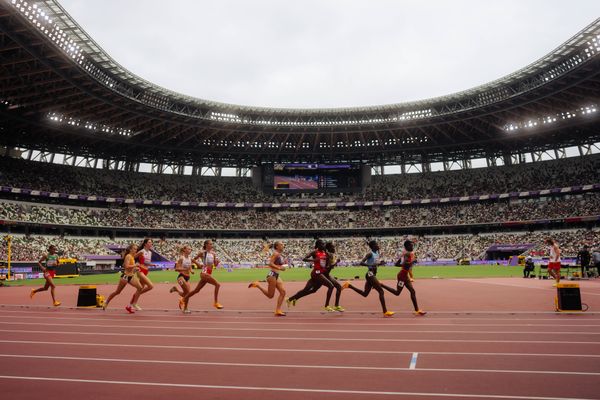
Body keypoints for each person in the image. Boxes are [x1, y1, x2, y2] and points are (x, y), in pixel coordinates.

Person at [342, 240, 394, 317]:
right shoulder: (370, 254)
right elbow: (361, 262)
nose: (378, 245)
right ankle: (385, 311)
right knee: (381, 291)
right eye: (376, 244)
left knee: (365, 294)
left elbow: (374, 263)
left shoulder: (377, 253)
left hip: (373, 274)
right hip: (370, 274)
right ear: (373, 246)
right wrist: (369, 266)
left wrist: (380, 263)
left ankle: (349, 285)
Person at [285, 239, 334, 311]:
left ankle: (290, 299)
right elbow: (304, 259)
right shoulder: (315, 252)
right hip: (316, 273)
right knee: (331, 286)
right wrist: (314, 260)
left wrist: (331, 264)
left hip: (321, 273)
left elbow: (326, 264)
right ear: (318, 245)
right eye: (322, 244)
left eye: (324, 244)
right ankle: (326, 306)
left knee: (309, 290)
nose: (324, 245)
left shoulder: (325, 253)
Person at [381, 240, 426, 316]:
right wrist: (412, 262)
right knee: (397, 293)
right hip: (402, 276)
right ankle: (382, 285)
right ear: (407, 246)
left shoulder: (405, 254)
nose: (412, 247)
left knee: (412, 291)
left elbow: (396, 264)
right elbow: (405, 263)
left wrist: (406, 265)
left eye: (412, 245)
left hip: (405, 275)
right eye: (411, 245)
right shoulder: (407, 254)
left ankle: (417, 310)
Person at [181, 240, 223, 313]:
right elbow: (193, 259)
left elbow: (215, 265)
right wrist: (198, 264)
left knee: (196, 290)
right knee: (217, 284)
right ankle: (215, 303)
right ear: (206, 245)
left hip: (209, 272)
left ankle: (183, 299)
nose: (212, 245)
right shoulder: (203, 253)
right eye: (210, 244)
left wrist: (217, 262)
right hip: (204, 272)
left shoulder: (213, 254)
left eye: (212, 244)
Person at [248, 241, 287, 316]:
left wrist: (281, 267)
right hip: (272, 276)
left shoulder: (279, 254)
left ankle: (278, 310)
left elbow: (276, 264)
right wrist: (279, 267)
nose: (283, 245)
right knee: (270, 296)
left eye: (283, 244)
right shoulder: (275, 253)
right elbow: (270, 263)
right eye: (281, 244)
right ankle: (257, 285)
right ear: (277, 247)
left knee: (283, 292)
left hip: (276, 275)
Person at [103, 243, 144, 313]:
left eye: (136, 249)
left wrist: (135, 269)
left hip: (131, 276)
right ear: (130, 249)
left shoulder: (132, 256)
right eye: (134, 249)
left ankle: (131, 305)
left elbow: (130, 267)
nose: (136, 250)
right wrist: (135, 265)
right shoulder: (128, 256)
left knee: (140, 288)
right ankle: (106, 302)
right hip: (125, 276)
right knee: (117, 292)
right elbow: (126, 266)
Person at [130, 238, 156, 311]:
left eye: (151, 242)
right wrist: (135, 264)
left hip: (146, 270)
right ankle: (135, 299)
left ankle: (133, 303)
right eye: (150, 242)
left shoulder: (150, 252)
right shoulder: (141, 251)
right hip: (140, 270)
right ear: (145, 244)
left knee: (140, 288)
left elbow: (146, 262)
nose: (151, 244)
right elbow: (132, 257)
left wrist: (152, 264)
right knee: (150, 286)